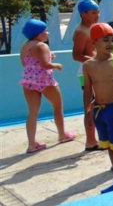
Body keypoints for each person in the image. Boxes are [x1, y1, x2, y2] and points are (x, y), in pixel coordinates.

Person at [82, 23, 113, 193]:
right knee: (109, 146)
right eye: (105, 40)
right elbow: (88, 91)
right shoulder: (88, 65)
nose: (110, 44)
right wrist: (88, 113)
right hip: (99, 110)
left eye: (112, 40)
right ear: (94, 42)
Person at [19, 19, 75, 153]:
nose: (47, 33)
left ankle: (32, 144)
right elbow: (45, 65)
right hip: (44, 81)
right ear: (38, 33)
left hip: (28, 81)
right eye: (45, 30)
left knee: (32, 112)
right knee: (57, 106)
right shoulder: (42, 46)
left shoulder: (25, 46)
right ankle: (62, 134)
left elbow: (26, 63)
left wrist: (48, 57)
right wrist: (56, 65)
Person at [72, 0, 100, 151]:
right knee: (90, 106)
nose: (98, 15)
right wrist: (97, 60)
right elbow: (76, 55)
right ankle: (90, 140)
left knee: (100, 105)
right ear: (84, 14)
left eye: (98, 12)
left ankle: (99, 137)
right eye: (94, 13)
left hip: (96, 70)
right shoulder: (81, 31)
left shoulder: (93, 28)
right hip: (87, 73)